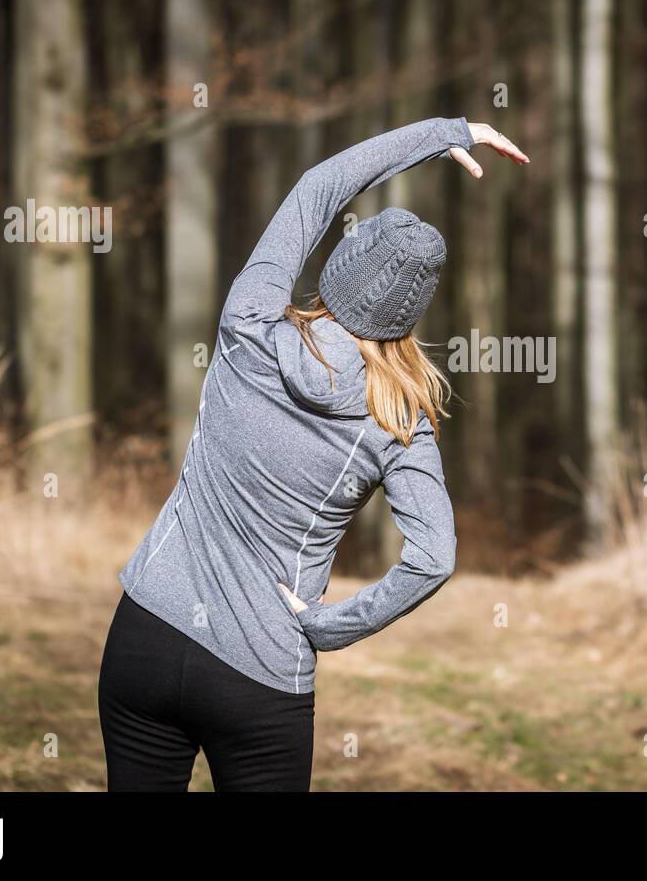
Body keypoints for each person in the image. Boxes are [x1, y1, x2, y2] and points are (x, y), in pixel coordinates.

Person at [96, 116, 529, 791]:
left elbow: (317, 188)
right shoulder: (397, 417)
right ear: (412, 313)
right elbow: (434, 556)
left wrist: (446, 131)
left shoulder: (249, 318)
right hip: (259, 671)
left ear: (339, 267)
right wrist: (328, 627)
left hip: (145, 633)